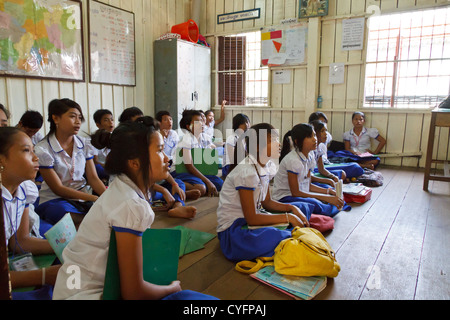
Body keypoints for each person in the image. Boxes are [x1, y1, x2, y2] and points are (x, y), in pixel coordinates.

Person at [52, 117, 218, 300]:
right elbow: (134, 294)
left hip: (78, 288)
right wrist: (171, 288)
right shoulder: (130, 204)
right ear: (134, 162)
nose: (167, 158)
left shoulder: (125, 189)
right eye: (160, 150)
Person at [216, 123, 309, 262]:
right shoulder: (247, 172)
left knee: (300, 208)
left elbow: (267, 202)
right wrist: (288, 217)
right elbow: (252, 218)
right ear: (258, 146)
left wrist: (291, 209)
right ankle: (288, 237)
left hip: (252, 220)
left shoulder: (267, 166)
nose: (279, 144)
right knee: (274, 236)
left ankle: (289, 236)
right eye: (273, 140)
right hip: (234, 231)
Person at [0, 127, 60, 300]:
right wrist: (43, 275)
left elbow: (21, 242)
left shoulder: (24, 189)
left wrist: (67, 246)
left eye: (34, 150)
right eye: (26, 150)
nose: (36, 158)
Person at [34, 99, 106, 228]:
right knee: (64, 212)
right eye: (72, 116)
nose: (78, 122)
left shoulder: (84, 144)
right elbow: (58, 189)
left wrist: (107, 197)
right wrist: (93, 199)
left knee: (104, 212)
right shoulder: (43, 149)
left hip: (82, 198)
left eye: (79, 117)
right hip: (55, 200)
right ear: (56, 119)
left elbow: (93, 178)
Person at [272, 124, 349, 218]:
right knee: (317, 204)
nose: (314, 139)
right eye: (309, 137)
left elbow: (307, 184)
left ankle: (328, 207)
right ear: (297, 141)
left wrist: (328, 192)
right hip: (285, 197)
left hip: (300, 193)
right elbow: (295, 192)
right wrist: (326, 197)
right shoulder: (293, 160)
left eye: (314, 135)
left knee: (331, 196)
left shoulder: (310, 155)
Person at [172, 109, 223, 197]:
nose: (202, 123)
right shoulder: (187, 139)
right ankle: (176, 183)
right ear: (188, 127)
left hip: (199, 171)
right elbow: (189, 166)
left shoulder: (205, 138)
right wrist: (208, 181)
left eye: (202, 121)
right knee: (201, 188)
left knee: (220, 184)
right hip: (184, 172)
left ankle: (199, 186)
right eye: (197, 122)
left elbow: (208, 159)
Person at [222, 113, 250, 178]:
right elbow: (233, 159)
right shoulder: (232, 138)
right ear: (237, 125)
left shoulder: (245, 139)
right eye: (243, 123)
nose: (247, 125)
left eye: (248, 122)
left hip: (240, 165)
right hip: (229, 167)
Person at [92, 109, 115, 182]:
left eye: (112, 119)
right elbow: (95, 161)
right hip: (102, 169)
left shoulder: (115, 137)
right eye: (106, 120)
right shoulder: (93, 140)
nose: (110, 122)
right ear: (98, 124)